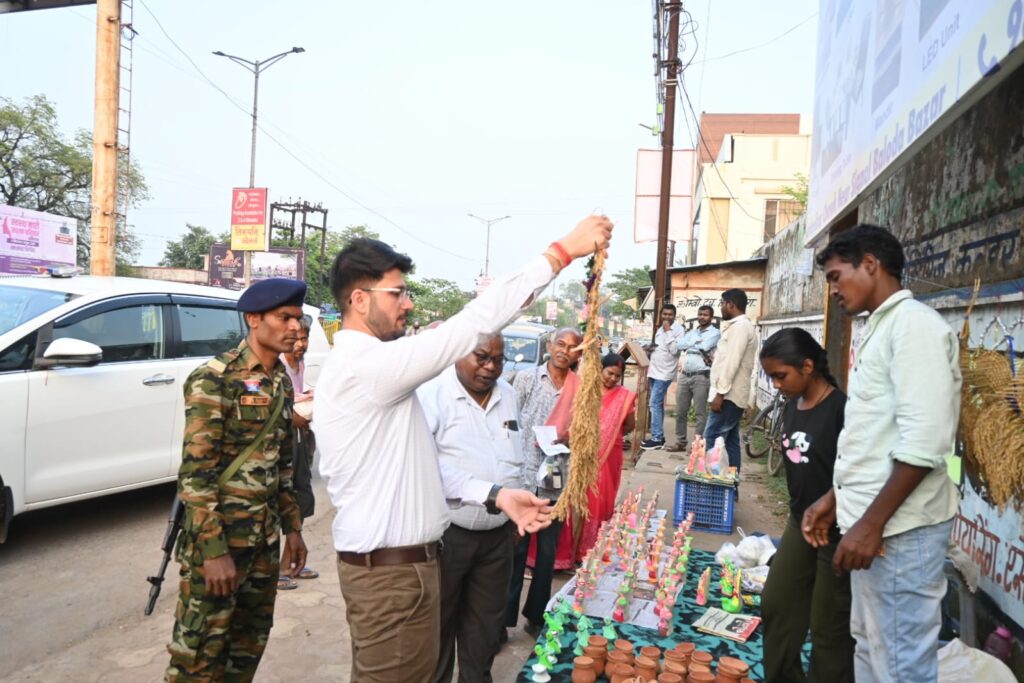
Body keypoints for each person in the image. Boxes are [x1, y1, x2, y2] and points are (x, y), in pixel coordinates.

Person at [312, 217, 612, 682]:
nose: (408, 304)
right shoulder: (367, 366)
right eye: (397, 293)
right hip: (391, 576)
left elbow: (420, 469)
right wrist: (560, 253)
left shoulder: (375, 371)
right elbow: (470, 325)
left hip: (408, 569)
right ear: (358, 299)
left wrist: (495, 494)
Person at [802, 224, 961, 682]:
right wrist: (835, 501)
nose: (832, 290)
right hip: (877, 526)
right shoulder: (880, 328)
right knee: (872, 649)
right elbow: (874, 438)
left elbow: (924, 442)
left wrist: (871, 523)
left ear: (870, 264)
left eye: (836, 276)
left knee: (900, 664)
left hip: (900, 532)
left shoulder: (915, 328)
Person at [165, 278, 308, 683]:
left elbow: (282, 466)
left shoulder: (279, 381)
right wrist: (213, 552)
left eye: (297, 318)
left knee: (248, 647)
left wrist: (293, 529)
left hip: (263, 545)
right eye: (284, 318)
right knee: (197, 658)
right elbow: (197, 474)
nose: (295, 328)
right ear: (253, 319)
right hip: (221, 546)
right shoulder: (215, 378)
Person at [418, 335, 527, 683]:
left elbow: (516, 461)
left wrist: (513, 518)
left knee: (485, 626)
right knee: (439, 624)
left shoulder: (508, 395)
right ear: (456, 353)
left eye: (498, 359)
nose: (490, 367)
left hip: (498, 537)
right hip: (448, 536)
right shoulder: (432, 395)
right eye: (481, 357)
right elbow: (425, 467)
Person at [758, 328, 854, 683]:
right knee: (777, 604)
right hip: (800, 524)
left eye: (781, 376)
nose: (776, 384)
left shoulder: (842, 412)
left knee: (828, 629)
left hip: (838, 532)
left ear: (808, 366)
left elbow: (859, 474)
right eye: (771, 377)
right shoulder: (792, 406)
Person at [505, 327, 583, 637]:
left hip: (557, 477)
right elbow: (510, 425)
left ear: (578, 354)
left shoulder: (581, 388)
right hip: (524, 473)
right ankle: (503, 620)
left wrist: (571, 436)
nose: (565, 350)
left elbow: (587, 432)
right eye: (560, 344)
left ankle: (536, 615)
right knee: (516, 549)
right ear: (549, 346)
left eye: (573, 347)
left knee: (547, 551)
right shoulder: (525, 379)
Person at [551, 352, 637, 568]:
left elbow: (629, 425)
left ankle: (587, 553)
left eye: (617, 376)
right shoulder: (585, 390)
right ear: (600, 369)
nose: (612, 379)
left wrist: (610, 430)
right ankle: (565, 555)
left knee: (599, 502)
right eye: (609, 373)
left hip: (609, 456)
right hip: (580, 454)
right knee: (573, 500)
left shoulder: (624, 396)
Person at [278, 315, 319, 591]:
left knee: (300, 495)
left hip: (299, 438)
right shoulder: (276, 366)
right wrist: (294, 413)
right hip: (282, 440)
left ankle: (291, 561)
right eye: (296, 338)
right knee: (282, 498)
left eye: (304, 338)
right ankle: (279, 568)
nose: (300, 343)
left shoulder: (299, 363)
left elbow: (294, 393)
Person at [703, 288, 757, 472]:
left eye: (722, 304)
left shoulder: (741, 327)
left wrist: (720, 393)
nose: (721, 308)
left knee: (712, 437)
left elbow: (732, 362)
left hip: (728, 396)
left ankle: (711, 484)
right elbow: (728, 359)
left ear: (730, 304)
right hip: (730, 394)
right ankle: (731, 488)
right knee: (732, 441)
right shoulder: (737, 326)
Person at [667, 305, 720, 454]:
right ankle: (680, 442)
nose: (702, 317)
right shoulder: (693, 332)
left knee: (700, 413)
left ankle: (697, 445)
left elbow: (705, 346)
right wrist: (695, 344)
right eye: (700, 314)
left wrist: (691, 344)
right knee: (680, 411)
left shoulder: (715, 333)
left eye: (705, 315)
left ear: (711, 317)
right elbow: (679, 345)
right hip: (684, 375)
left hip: (701, 376)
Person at [641, 303, 684, 450]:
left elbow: (674, 350)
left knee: (653, 404)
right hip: (654, 371)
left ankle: (657, 438)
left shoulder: (678, 330)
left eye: (670, 314)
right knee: (656, 404)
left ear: (674, 315)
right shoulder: (660, 329)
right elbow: (661, 348)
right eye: (664, 314)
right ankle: (660, 436)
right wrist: (649, 348)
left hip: (664, 373)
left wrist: (668, 332)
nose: (666, 317)